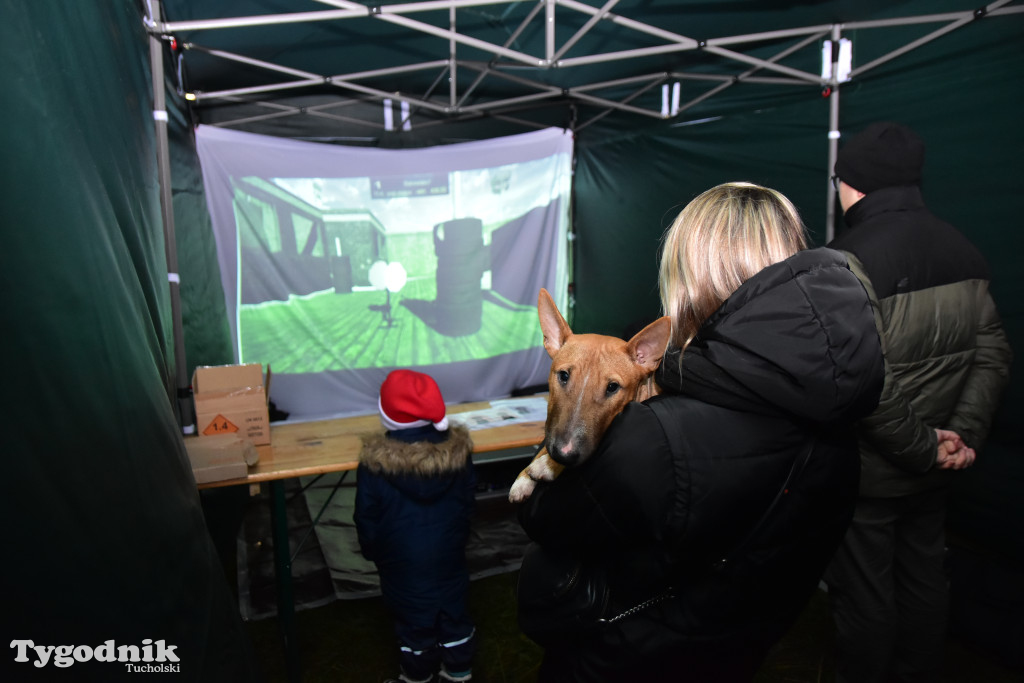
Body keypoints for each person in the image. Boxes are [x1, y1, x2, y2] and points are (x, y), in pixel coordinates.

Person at [517, 182, 886, 682]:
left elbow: (547, 518)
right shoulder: (840, 425)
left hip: (626, 660)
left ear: (692, 279)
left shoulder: (658, 441)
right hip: (738, 651)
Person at [824, 121, 1012, 683]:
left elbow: (861, 380)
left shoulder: (845, 260)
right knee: (926, 581)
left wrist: (921, 447)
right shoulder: (966, 248)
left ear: (853, 185)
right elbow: (994, 354)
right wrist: (960, 438)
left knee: (864, 594)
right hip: (938, 467)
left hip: (872, 474)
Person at [354, 369, 478, 683]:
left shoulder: (373, 465)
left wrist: (374, 552)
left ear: (388, 417)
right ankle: (459, 672)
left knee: (413, 622)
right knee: (454, 614)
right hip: (450, 557)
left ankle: (417, 677)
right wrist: (459, 539)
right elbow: (467, 504)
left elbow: (366, 516)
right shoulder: (460, 456)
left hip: (401, 565)